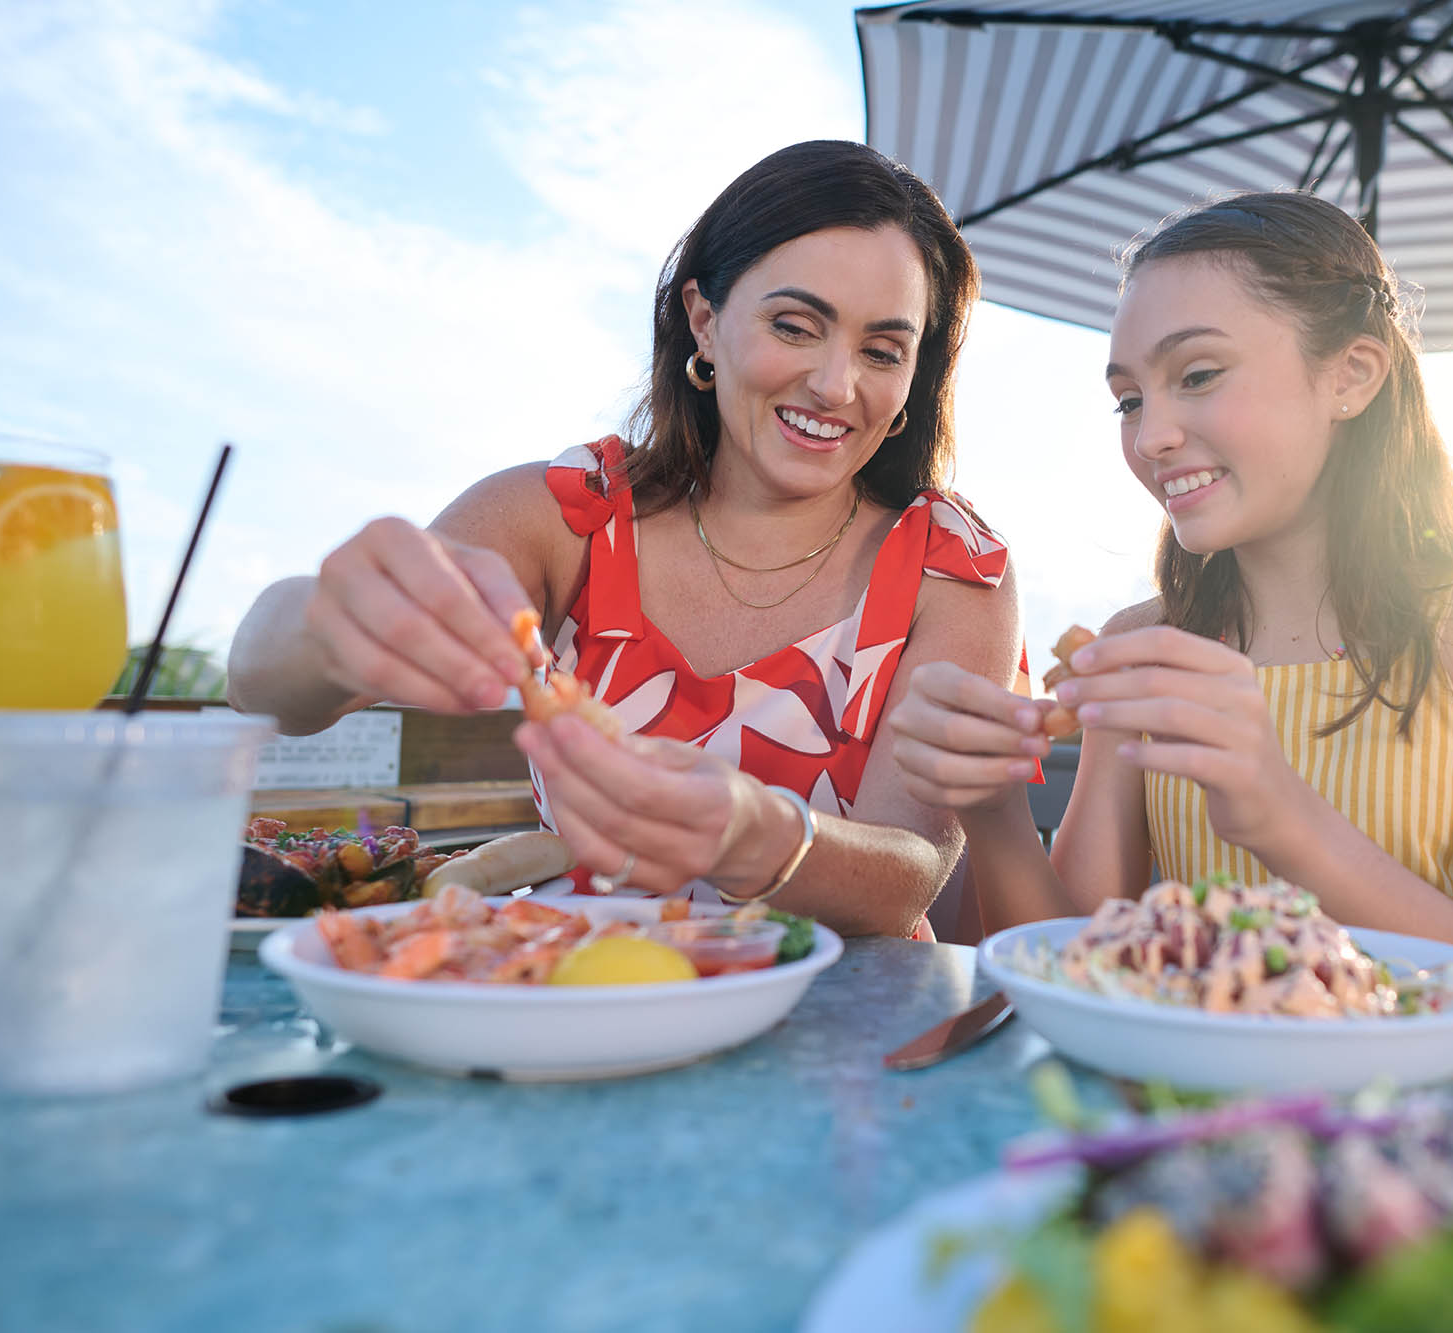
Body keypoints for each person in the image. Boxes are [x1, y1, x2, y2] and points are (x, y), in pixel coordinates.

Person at [227, 140, 1026, 939]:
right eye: (794, 326)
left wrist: (755, 834)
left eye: (882, 351)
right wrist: (331, 626)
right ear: (704, 322)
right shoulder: (566, 516)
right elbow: (261, 687)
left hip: (845, 1009)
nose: (834, 384)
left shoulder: (952, 568)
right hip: (567, 981)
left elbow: (912, 873)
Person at [888, 192, 1453, 1020]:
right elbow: (1072, 977)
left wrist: (1283, 819)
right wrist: (992, 807)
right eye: (1130, 400)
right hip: (1186, 1094)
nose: (1151, 436)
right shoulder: (1144, 646)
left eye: (1198, 375)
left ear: (1352, 375)